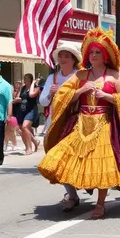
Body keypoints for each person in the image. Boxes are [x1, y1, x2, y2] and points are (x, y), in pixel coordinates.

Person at [38, 27, 120, 218]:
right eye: (91, 52)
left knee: (102, 165)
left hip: (105, 126)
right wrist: (80, 92)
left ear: (105, 55)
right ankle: (116, 188)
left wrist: (108, 96)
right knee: (62, 158)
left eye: (98, 52)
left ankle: (100, 204)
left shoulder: (115, 76)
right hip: (81, 124)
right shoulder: (81, 75)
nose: (93, 55)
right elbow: (61, 97)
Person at [38, 42, 82, 207]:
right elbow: (43, 101)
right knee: (59, 160)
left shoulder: (80, 76)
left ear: (73, 59)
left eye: (67, 56)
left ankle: (84, 182)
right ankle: (72, 195)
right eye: (61, 55)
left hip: (75, 122)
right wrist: (50, 93)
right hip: (56, 123)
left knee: (75, 158)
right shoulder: (52, 78)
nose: (63, 59)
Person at [14, 74, 41, 155]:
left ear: (30, 79)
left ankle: (29, 148)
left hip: (31, 110)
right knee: (22, 130)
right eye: (24, 78)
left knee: (25, 127)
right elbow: (17, 97)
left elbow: (30, 95)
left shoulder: (36, 88)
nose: (24, 80)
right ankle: (32, 143)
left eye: (25, 78)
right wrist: (18, 90)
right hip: (22, 110)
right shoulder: (23, 88)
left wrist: (33, 83)